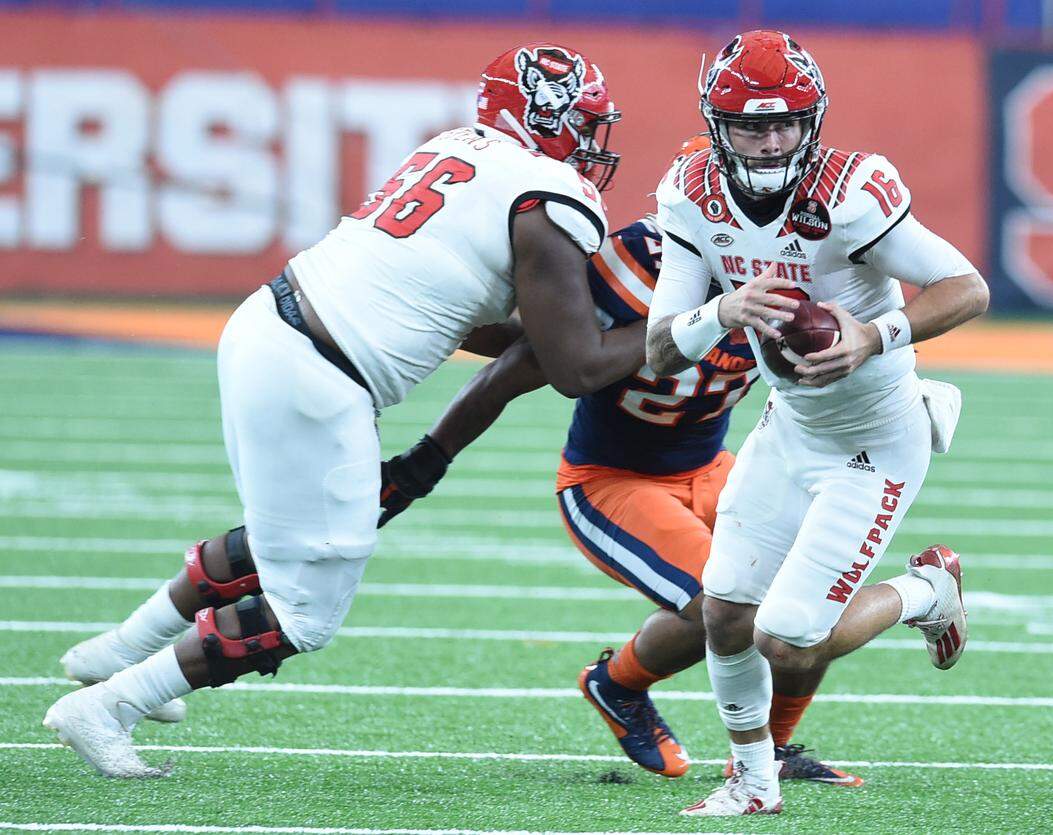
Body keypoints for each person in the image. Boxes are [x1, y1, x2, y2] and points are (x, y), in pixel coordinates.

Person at [42, 42, 650, 778]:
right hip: (315, 374)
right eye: (581, 122)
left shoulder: (458, 148)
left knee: (289, 535)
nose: (590, 142)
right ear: (541, 118)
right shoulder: (548, 194)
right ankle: (113, 703)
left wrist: (439, 447)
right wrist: (696, 320)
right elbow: (576, 366)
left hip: (271, 326)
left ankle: (119, 650)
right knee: (305, 611)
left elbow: (468, 316)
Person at [380, 192, 862, 787]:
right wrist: (429, 456)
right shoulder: (630, 266)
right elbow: (527, 356)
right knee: (721, 608)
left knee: (808, 595)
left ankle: (777, 747)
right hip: (612, 481)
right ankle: (618, 685)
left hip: (714, 466)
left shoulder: (802, 270)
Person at [644, 31, 989, 816]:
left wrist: (872, 335)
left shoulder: (851, 191)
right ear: (717, 125)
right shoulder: (690, 193)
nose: (772, 142)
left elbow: (965, 287)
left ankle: (925, 589)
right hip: (791, 426)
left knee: (787, 639)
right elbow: (660, 350)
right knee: (725, 609)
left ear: (813, 120)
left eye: (787, 123)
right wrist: (722, 310)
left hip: (876, 439)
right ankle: (753, 784)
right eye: (751, 126)